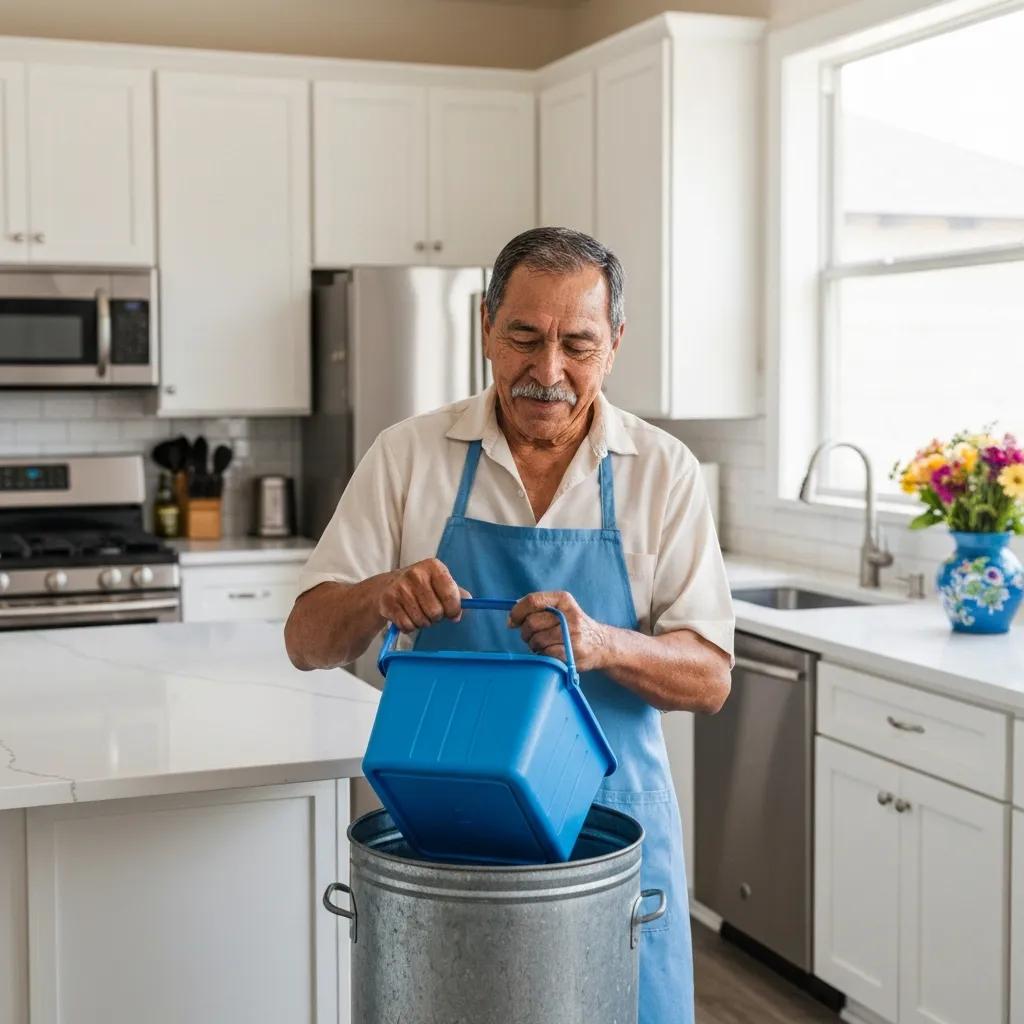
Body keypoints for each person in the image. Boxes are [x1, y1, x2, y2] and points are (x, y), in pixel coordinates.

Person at [285, 226, 734, 1023]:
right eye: (524, 337)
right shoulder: (408, 455)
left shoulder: (662, 471)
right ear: (487, 324)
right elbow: (307, 639)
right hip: (445, 844)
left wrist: (602, 643)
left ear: (615, 344)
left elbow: (709, 677)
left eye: (578, 346)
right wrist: (381, 593)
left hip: (612, 840)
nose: (548, 371)